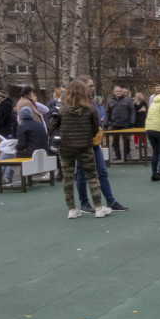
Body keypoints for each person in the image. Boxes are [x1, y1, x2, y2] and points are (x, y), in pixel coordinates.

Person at [49, 80, 110, 218]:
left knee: (68, 178)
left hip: (65, 147)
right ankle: (99, 207)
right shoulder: (90, 109)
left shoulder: (62, 109)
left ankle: (72, 209)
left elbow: (52, 125)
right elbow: (95, 128)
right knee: (92, 176)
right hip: (84, 146)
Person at [74, 76, 129, 213]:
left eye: (93, 85)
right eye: (90, 86)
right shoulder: (77, 104)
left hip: (95, 141)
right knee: (82, 173)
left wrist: (100, 127)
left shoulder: (93, 102)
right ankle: (84, 203)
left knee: (102, 172)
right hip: (82, 143)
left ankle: (110, 201)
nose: (93, 88)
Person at [104, 86, 135, 161]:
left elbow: (132, 111)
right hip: (114, 123)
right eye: (116, 91)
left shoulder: (128, 100)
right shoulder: (109, 101)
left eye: (119, 91)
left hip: (125, 123)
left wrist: (132, 122)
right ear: (114, 92)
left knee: (126, 139)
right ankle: (118, 155)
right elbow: (107, 113)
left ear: (122, 92)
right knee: (115, 141)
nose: (118, 92)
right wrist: (105, 123)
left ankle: (128, 153)